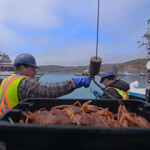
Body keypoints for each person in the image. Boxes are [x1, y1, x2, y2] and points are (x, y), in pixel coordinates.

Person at [0, 53, 91, 115]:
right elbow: (49, 90)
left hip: (4, 120)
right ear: (23, 67)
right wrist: (75, 83)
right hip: (12, 124)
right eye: (33, 68)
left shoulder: (6, 80)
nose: (35, 72)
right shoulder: (24, 82)